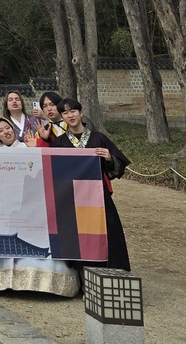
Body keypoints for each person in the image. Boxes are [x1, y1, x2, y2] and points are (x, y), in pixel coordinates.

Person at [50, 97, 131, 271]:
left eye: (73, 111)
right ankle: (78, 273)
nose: (70, 115)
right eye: (65, 113)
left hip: (98, 195)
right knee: (75, 235)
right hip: (71, 197)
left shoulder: (98, 138)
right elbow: (53, 171)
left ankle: (111, 269)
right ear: (62, 117)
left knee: (107, 230)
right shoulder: (60, 142)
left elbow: (118, 167)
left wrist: (109, 158)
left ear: (81, 112)